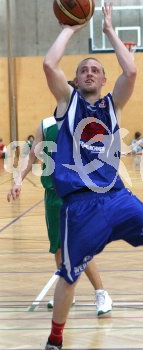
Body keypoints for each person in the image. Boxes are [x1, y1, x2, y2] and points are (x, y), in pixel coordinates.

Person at [42, 2, 143, 350]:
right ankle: (55, 340)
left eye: (96, 69)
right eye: (84, 70)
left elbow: (133, 72)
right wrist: (71, 28)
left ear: (104, 79)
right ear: (75, 80)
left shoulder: (113, 106)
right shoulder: (68, 103)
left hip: (117, 196)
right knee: (70, 276)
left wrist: (109, 32)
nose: (90, 73)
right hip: (80, 205)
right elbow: (49, 64)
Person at [7, 116, 113, 316]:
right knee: (58, 246)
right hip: (53, 196)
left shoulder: (84, 122)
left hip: (77, 194)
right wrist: (18, 181)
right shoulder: (46, 125)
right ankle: (68, 293)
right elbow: (31, 156)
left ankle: (101, 293)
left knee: (80, 246)